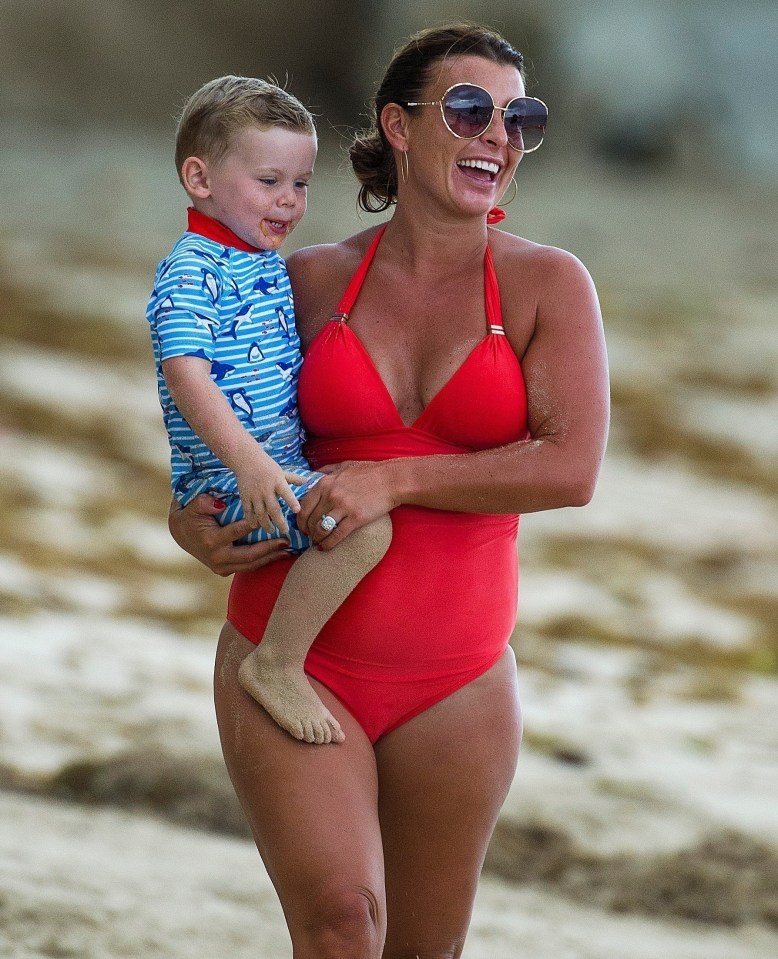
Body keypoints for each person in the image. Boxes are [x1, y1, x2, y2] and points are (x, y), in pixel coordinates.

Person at [170, 24, 609, 959]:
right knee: (341, 923)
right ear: (399, 127)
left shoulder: (547, 284)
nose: (497, 134)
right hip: (291, 656)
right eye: (468, 109)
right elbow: (209, 416)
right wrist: (187, 520)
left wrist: (395, 478)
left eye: (518, 118)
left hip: (458, 679)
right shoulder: (309, 279)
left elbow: (571, 467)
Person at [147, 75, 391, 746]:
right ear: (199, 178)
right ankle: (278, 662)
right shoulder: (194, 267)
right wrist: (251, 465)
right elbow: (184, 372)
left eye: (302, 185)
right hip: (231, 484)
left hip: (264, 468)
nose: (289, 201)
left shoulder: (260, 261)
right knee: (364, 526)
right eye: (269, 181)